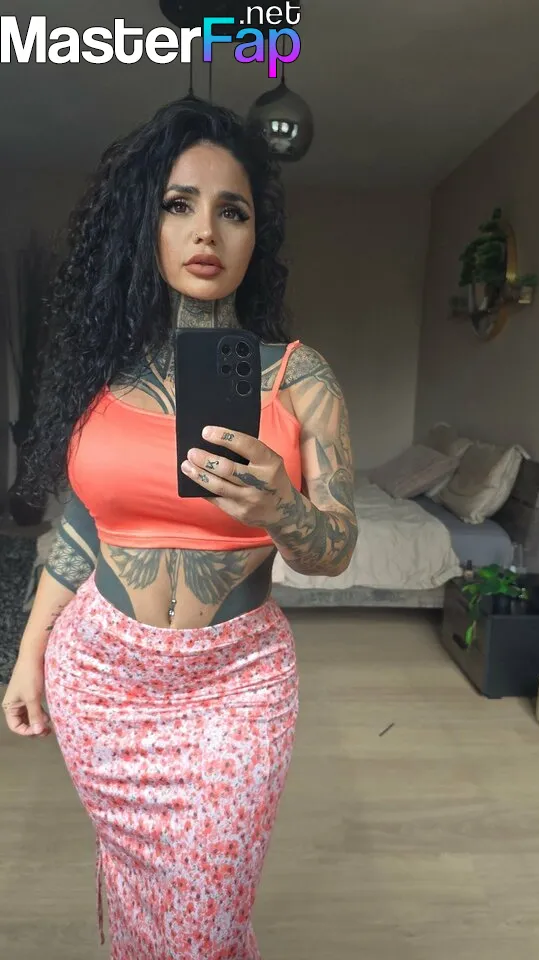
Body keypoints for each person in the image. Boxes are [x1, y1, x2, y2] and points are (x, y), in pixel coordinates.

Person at [2, 97, 358, 959]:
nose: (206, 231)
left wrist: (282, 510)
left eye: (232, 211)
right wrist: (28, 653)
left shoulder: (298, 377)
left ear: (256, 235)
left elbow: (338, 547)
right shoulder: (100, 374)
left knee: (205, 925)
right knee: (139, 895)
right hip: (102, 676)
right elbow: (83, 523)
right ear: (145, 225)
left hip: (236, 685)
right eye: (178, 204)